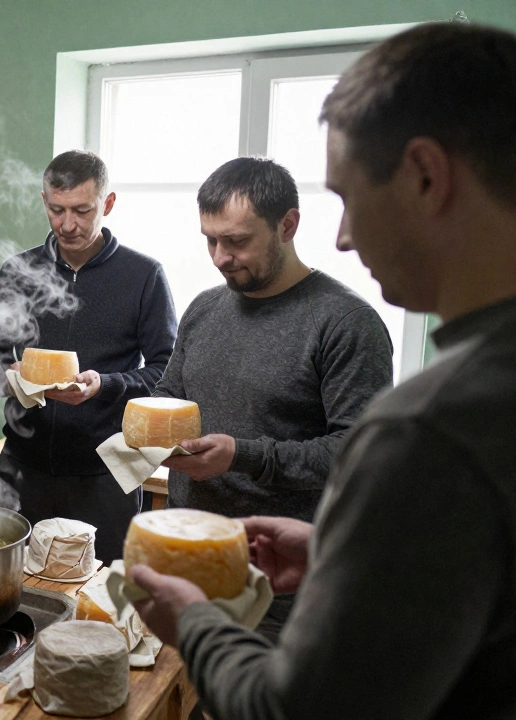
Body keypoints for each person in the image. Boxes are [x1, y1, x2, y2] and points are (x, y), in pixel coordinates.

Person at [131, 22, 516, 719]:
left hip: (277, 605)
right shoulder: (205, 309)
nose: (345, 235)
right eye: (209, 241)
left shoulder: (427, 420)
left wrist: (195, 622)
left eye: (349, 198)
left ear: (428, 176)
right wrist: (342, 548)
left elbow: (296, 709)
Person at [152, 156, 393, 639]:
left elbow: (356, 453)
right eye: (210, 239)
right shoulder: (205, 307)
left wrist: (243, 457)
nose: (220, 256)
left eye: (237, 241)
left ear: (288, 225)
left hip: (280, 580)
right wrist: (140, 425)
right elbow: (169, 394)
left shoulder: (345, 324)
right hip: (184, 554)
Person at [0, 150, 177, 561]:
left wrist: (105, 386)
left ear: (109, 203)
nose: (68, 224)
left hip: (104, 475)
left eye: (82, 210)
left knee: (95, 603)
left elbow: (167, 372)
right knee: (7, 593)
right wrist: (11, 375)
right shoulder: (19, 271)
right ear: (44, 201)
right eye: (56, 209)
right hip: (20, 470)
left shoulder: (143, 276)